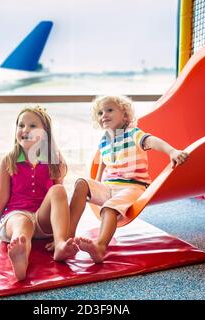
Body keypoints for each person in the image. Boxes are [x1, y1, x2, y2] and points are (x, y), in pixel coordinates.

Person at [68, 95, 189, 263]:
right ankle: (67, 238)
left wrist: (172, 152)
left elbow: (152, 141)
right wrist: (94, 185)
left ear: (125, 115)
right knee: (81, 183)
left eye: (110, 110)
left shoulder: (133, 134)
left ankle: (100, 247)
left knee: (109, 208)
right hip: (109, 187)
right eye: (100, 112)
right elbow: (102, 162)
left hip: (133, 186)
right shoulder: (104, 141)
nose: (104, 115)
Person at [0, 106, 78, 281]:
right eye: (21, 125)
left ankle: (59, 246)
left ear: (45, 133)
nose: (25, 130)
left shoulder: (55, 159)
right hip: (17, 215)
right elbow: (2, 196)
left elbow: (59, 201)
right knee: (21, 226)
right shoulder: (9, 160)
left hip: (44, 220)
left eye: (32, 126)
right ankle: (21, 259)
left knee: (58, 190)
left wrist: (64, 234)